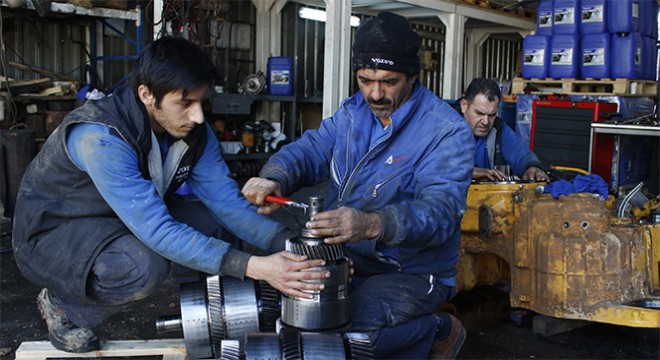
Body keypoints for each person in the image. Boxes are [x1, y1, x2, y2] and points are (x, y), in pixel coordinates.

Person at [11, 37, 328, 353]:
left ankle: (212, 318)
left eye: (202, 102)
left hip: (123, 217)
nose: (199, 117)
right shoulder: (101, 138)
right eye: (185, 103)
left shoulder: (193, 134)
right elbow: (157, 230)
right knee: (142, 266)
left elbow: (227, 204)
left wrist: (292, 249)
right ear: (147, 95)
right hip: (56, 234)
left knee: (214, 225)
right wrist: (257, 267)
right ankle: (63, 307)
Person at [242, 12, 474, 360]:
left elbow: (440, 212)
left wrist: (371, 224)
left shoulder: (446, 132)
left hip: (409, 271)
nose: (375, 93)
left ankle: (437, 331)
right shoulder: (353, 114)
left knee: (348, 336)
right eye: (365, 79)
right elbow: (311, 149)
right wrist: (275, 175)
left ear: (413, 76)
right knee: (274, 309)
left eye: (389, 81)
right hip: (346, 260)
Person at [457, 77, 550, 182]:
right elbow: (437, 164)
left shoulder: (499, 129)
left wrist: (532, 167)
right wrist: (472, 172)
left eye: (492, 115)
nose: (486, 122)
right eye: (479, 113)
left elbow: (521, 154)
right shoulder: (445, 130)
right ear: (464, 105)